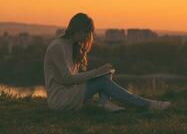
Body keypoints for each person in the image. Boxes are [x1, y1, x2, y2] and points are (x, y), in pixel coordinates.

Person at [43, 13, 171, 112]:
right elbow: (67, 79)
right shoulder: (57, 46)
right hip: (60, 99)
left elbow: (73, 79)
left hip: (71, 94)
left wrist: (101, 72)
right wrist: (96, 72)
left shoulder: (73, 45)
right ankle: (148, 105)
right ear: (76, 29)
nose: (87, 36)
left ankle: (104, 103)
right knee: (102, 80)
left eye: (90, 33)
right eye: (86, 32)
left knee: (104, 75)